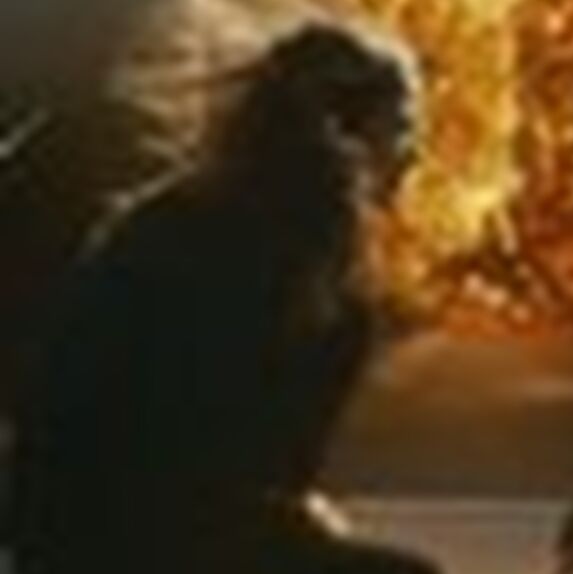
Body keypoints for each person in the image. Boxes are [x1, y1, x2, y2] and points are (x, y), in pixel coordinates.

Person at [15, 23, 436, 574]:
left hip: (77, 536)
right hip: (134, 538)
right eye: (402, 127)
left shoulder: (170, 225)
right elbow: (193, 461)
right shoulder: (289, 276)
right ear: (347, 134)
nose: (415, 153)